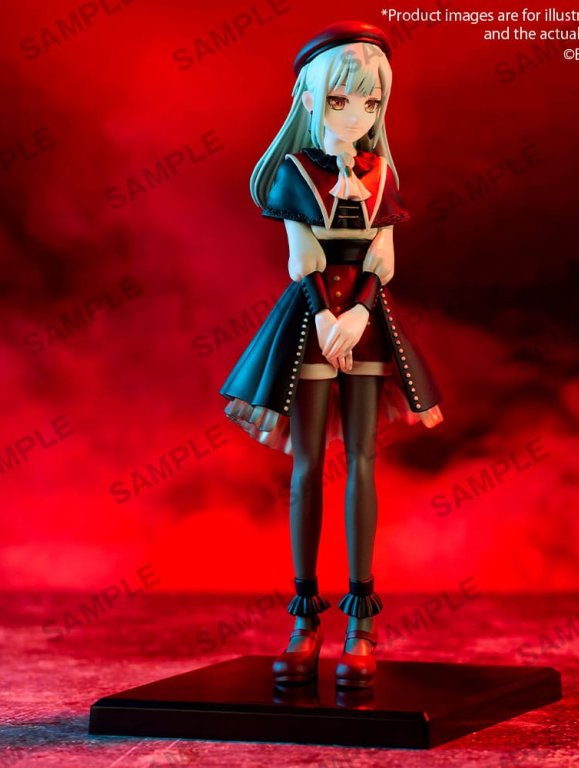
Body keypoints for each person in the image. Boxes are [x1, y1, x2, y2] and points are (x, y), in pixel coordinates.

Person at [219, 21, 444, 689]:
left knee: (364, 465)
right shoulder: (296, 173)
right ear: (310, 98)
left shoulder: (381, 173)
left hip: (365, 326)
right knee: (309, 467)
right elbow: (302, 259)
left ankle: (362, 624)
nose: (357, 115)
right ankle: (305, 621)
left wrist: (359, 316)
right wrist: (325, 316)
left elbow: (383, 260)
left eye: (371, 102)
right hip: (311, 322)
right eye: (342, 99)